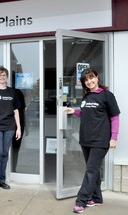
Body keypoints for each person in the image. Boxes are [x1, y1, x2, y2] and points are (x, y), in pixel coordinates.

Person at [65, 68, 120, 213]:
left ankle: (81, 201)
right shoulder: (87, 96)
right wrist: (74, 111)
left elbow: (115, 117)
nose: (90, 81)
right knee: (93, 170)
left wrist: (114, 137)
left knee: (90, 170)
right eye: (86, 80)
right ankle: (96, 198)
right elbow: (86, 113)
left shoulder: (107, 95)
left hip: (100, 140)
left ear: (97, 77)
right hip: (86, 139)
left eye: (91, 78)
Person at [11, 88, 26, 172]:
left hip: (18, 124)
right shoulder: (17, 92)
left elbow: (22, 110)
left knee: (14, 148)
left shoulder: (18, 92)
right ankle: (12, 169)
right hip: (16, 124)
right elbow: (23, 111)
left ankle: (12, 169)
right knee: (15, 149)